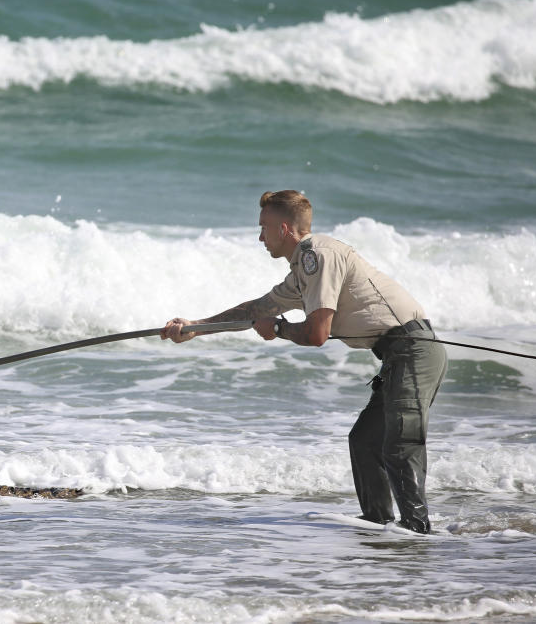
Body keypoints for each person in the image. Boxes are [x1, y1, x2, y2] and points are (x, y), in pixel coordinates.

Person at [160, 190, 447, 533]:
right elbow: (256, 310)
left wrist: (279, 329)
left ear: (284, 229)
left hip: (413, 350)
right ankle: (379, 525)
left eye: (263, 227)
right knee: (364, 441)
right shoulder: (301, 273)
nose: (259, 236)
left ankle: (417, 532)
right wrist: (196, 328)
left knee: (400, 442)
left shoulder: (318, 257)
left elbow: (317, 334)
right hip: (397, 356)